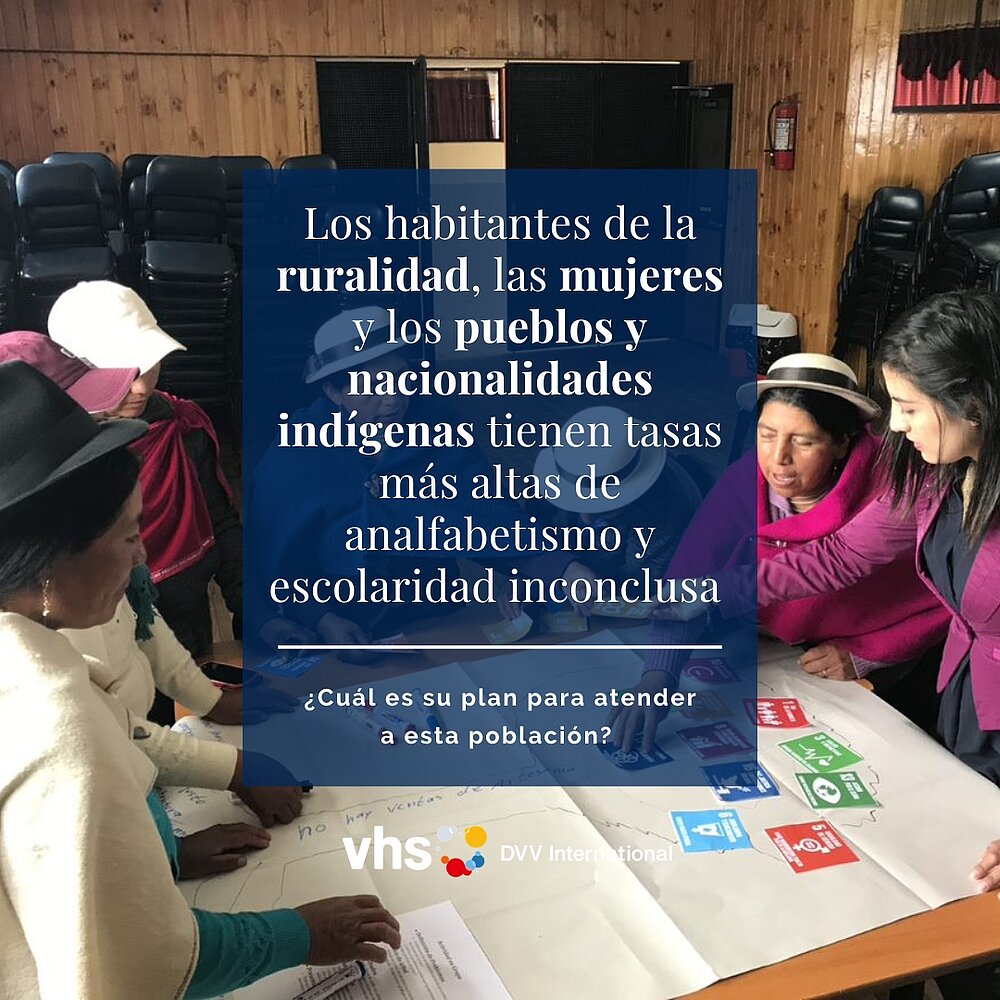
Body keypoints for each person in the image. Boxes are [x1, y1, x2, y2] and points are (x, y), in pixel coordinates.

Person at [0, 361, 400, 997]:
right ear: (49, 557)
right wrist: (302, 933)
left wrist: (164, 853)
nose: (143, 558)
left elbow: (117, 736)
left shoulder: (34, 648)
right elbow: (141, 963)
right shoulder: (50, 719)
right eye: (130, 536)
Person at [745, 295, 1000, 1000]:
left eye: (910, 407)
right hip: (967, 701)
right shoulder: (932, 473)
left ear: (974, 401)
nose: (896, 425)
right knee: (949, 888)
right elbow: (834, 559)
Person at [609, 353, 950, 752]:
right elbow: (688, 582)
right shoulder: (744, 480)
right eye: (766, 435)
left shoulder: (900, 487)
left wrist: (868, 653)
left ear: (843, 442)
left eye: (803, 442)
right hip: (787, 651)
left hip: (886, 660)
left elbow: (938, 598)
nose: (778, 459)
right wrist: (659, 675)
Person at [248, 307, 529, 663]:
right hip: (340, 623)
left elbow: (488, 514)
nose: (394, 399)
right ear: (334, 391)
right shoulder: (296, 453)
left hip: (438, 613)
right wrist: (321, 618)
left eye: (403, 379)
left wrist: (538, 569)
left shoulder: (440, 428)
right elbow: (272, 556)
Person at [48, 280, 243, 671]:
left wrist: (253, 606)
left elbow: (221, 522)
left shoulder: (181, 428)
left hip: (187, 626)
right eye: (121, 371)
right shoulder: (50, 455)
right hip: (96, 649)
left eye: (148, 365)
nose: (139, 387)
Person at [531, 404, 703, 615]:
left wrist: (583, 585)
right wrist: (534, 569)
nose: (586, 518)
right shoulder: (557, 473)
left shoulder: (667, 511)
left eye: (603, 508)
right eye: (574, 502)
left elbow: (640, 591)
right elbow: (536, 530)